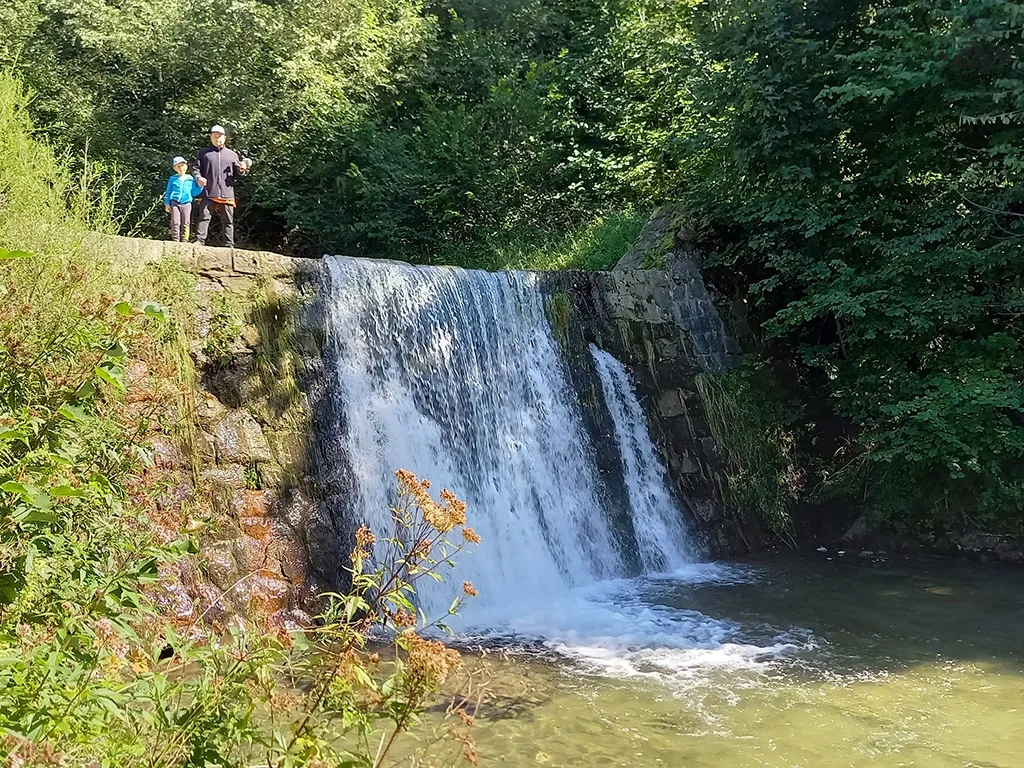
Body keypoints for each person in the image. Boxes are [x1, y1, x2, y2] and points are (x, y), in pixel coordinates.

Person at [193, 124, 252, 248]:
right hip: (208, 191)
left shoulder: (232, 155)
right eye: (214, 136)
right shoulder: (203, 153)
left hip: (227, 192)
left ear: (224, 138)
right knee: (204, 217)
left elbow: (237, 173)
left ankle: (229, 244)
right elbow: (196, 169)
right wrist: (199, 178)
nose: (217, 139)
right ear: (211, 137)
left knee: (228, 221)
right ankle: (199, 241)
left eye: (219, 137)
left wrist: (242, 168)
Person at [164, 156, 202, 242]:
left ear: (186, 166)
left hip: (187, 202)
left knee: (186, 222)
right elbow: (168, 191)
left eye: (182, 165)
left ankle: (185, 239)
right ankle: (175, 239)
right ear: (175, 169)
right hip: (175, 202)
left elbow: (194, 192)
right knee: (175, 221)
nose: (181, 168)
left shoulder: (191, 179)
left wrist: (201, 187)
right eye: (178, 166)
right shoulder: (173, 179)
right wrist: (166, 203)